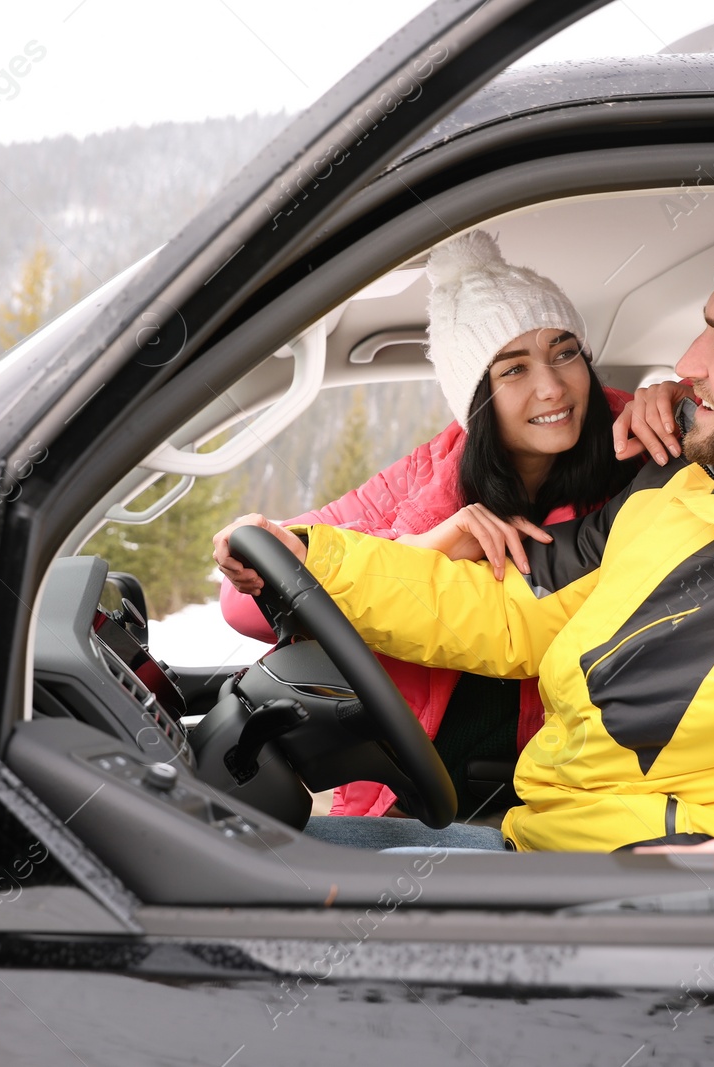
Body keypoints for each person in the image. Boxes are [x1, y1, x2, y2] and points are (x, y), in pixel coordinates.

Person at [216, 188, 714, 872]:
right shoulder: (694, 475)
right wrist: (318, 561)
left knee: (243, 890)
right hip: (531, 845)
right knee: (236, 853)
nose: (686, 360)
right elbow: (522, 605)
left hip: (633, 898)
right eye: (705, 327)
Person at [217, 230, 635, 820]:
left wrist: (676, 403)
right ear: (476, 397)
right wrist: (426, 546)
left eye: (565, 352)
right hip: (413, 793)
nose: (551, 387)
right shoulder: (423, 482)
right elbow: (243, 602)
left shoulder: (638, 450)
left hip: (552, 805)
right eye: (513, 370)